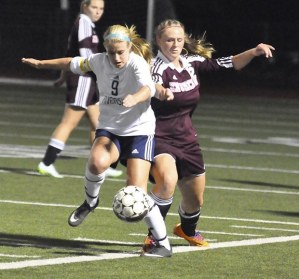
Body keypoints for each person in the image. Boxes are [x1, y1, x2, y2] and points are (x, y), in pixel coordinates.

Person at [22, 24, 174, 257]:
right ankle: (90, 203)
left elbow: (148, 88)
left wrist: (135, 98)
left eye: (121, 52)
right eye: (111, 52)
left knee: (136, 194)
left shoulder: (136, 63)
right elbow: (70, 62)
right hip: (110, 128)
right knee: (96, 162)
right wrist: (42, 64)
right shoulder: (98, 61)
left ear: (129, 47)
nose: (116, 57)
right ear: (105, 49)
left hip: (139, 131)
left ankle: (163, 244)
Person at [143, 19, 275, 250]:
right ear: (158, 41)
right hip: (158, 137)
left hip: (187, 139)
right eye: (169, 40)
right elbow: (152, 85)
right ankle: (154, 234)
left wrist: (254, 52)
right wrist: (161, 91)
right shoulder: (155, 67)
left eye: (179, 39)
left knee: (195, 200)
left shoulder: (191, 62)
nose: (174, 44)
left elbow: (230, 63)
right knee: (167, 182)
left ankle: (187, 230)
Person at [37, 0, 122, 178]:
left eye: (101, 9)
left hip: (88, 81)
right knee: (68, 122)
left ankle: (99, 164)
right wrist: (103, 72)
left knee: (97, 124)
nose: (98, 11)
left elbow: (70, 53)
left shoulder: (87, 24)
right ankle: (46, 162)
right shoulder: (83, 22)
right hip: (83, 80)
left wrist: (62, 76)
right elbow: (84, 57)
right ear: (84, 6)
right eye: (94, 7)